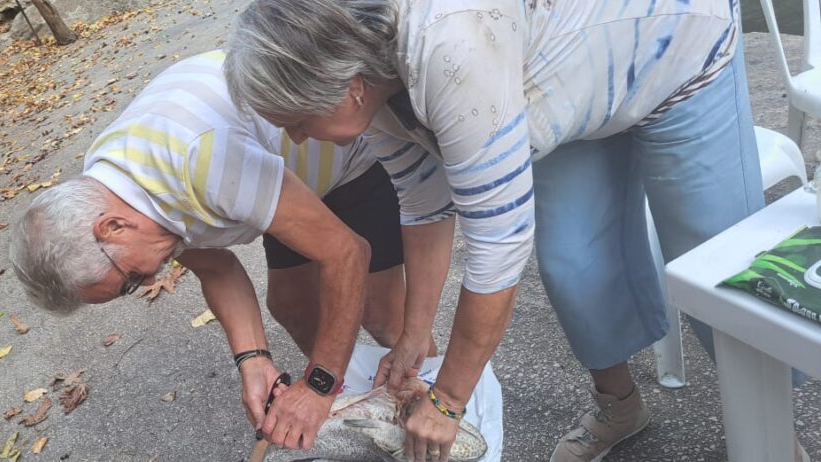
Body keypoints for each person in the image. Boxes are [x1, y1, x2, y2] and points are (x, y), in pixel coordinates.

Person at [223, 1, 808, 461]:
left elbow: (497, 247)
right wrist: (412, 336)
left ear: (347, 85)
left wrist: (448, 402)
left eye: (298, 123)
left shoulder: (450, 49)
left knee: (719, 274)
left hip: (674, 48)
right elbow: (425, 206)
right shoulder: (362, 71)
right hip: (567, 77)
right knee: (573, 266)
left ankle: (770, 434)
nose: (297, 140)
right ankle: (620, 407)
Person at [9, 50, 436, 452]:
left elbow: (346, 254)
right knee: (290, 304)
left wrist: (318, 384)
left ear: (113, 227)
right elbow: (217, 269)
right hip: (270, 181)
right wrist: (252, 360)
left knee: (385, 316)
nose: (151, 281)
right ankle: (361, 407)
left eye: (131, 281)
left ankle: (439, 411)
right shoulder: (110, 188)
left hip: (344, 158)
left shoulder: (202, 160)